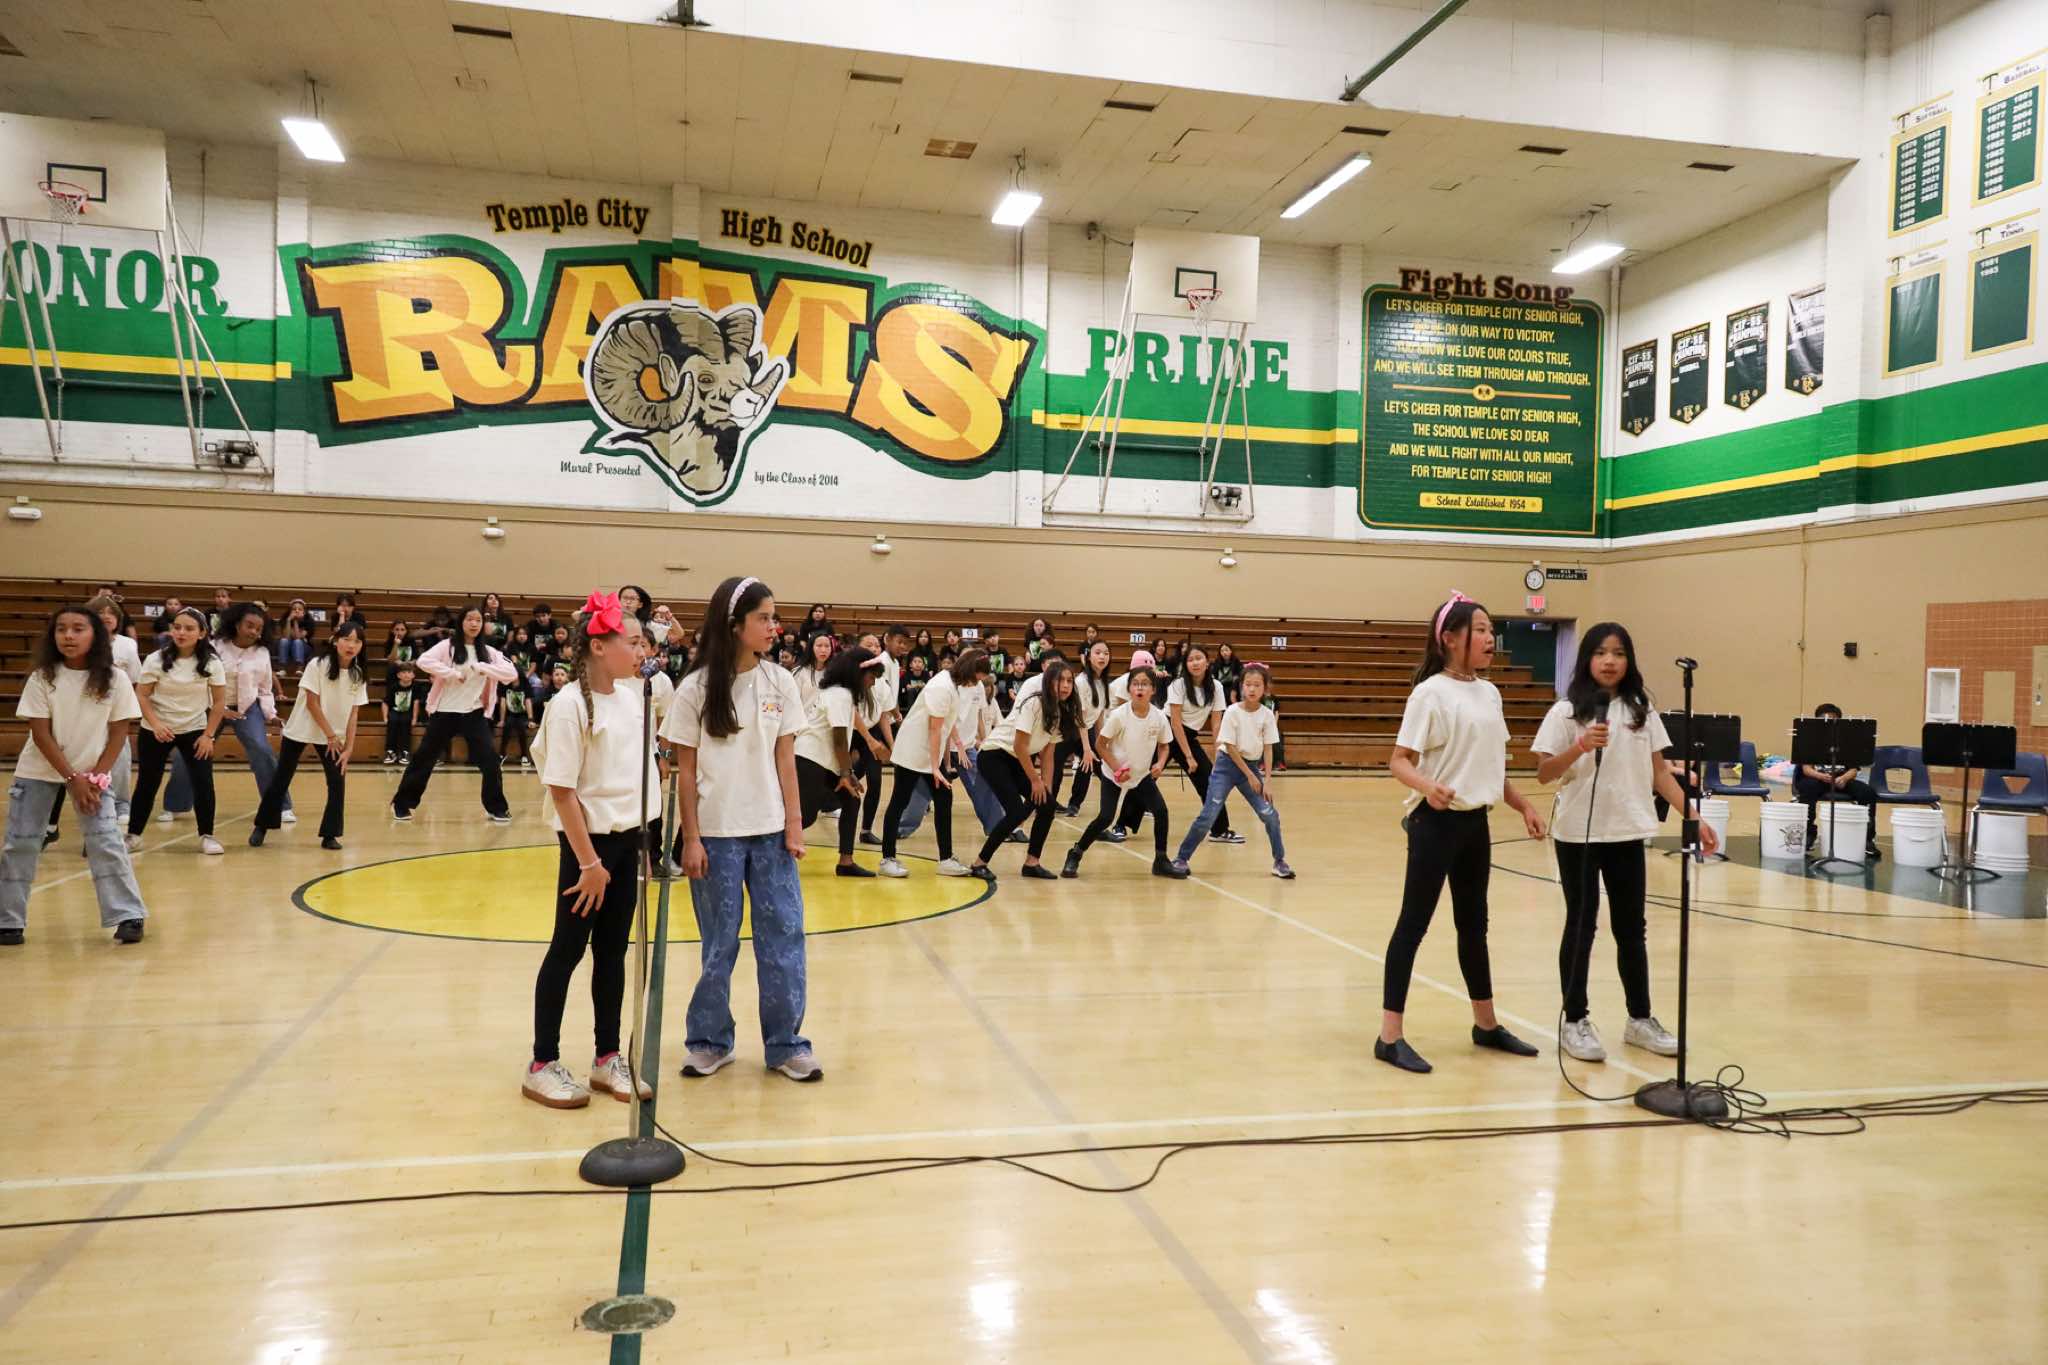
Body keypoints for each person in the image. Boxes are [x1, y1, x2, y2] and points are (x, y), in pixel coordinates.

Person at [1377, 593, 1548, 1075]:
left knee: (1474, 927)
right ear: (1450, 638)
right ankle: (1389, 1037)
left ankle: (1486, 1025)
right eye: (1481, 629)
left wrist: (1523, 805)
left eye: (1492, 630)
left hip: (1476, 824)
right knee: (1412, 926)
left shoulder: (1490, 693)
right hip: (1434, 824)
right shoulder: (1429, 693)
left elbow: (1491, 767)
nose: (1491, 638)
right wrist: (1427, 787)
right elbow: (1398, 761)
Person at [662, 576, 821, 1083]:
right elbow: (685, 771)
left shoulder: (781, 681)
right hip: (715, 836)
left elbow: (786, 760)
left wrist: (794, 825)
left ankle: (786, 1043)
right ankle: (710, 1041)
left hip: (771, 833)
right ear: (735, 625)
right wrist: (690, 838)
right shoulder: (695, 688)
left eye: (775, 617)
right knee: (719, 943)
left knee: (784, 938)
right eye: (763, 618)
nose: (774, 627)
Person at [1532, 623, 1714, 1064]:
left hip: (1628, 832)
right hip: (1579, 834)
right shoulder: (1565, 712)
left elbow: (1660, 774)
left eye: (1617, 653)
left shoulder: (1641, 711)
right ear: (1586, 660)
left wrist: (1694, 817)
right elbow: (1544, 773)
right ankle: (1574, 1020)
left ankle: (1640, 1019)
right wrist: (1579, 747)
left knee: (1632, 929)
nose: (1609, 661)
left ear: (1629, 660)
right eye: (1600, 653)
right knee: (1581, 925)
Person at [522, 592, 661, 1109]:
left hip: (626, 843)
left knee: (612, 951)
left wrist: (642, 846)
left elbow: (639, 778)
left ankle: (607, 1057)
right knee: (567, 949)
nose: (642, 651)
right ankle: (542, 1063)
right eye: (633, 642)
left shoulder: (632, 698)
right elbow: (562, 791)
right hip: (588, 848)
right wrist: (589, 864)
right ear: (600, 647)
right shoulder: (568, 707)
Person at [2, 607, 149, 945]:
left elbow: (119, 733)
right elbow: (40, 734)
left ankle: (127, 914)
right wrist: (72, 779)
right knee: (21, 843)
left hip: (92, 775)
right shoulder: (42, 677)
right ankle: (7, 919)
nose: (68, 635)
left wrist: (96, 777)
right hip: (39, 771)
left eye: (78, 628)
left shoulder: (115, 679)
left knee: (106, 840)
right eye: (61, 629)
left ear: (95, 635)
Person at [390, 604, 517, 824]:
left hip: (474, 713)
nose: (474, 624)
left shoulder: (489, 652)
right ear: (461, 622)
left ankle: (496, 807)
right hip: (444, 712)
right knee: (424, 759)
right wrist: (451, 673)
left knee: (490, 761)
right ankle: (402, 803)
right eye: (469, 619)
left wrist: (484, 668)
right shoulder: (447, 646)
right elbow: (423, 661)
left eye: (478, 620)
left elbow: (511, 673)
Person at [250, 620, 367, 851]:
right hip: (302, 729)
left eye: (356, 641)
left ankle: (330, 834)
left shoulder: (358, 674)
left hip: (333, 737)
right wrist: (331, 735)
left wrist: (349, 747)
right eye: (346, 639)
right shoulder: (318, 665)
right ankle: (262, 826)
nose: (351, 645)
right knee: (281, 779)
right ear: (336, 641)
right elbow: (312, 703)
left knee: (337, 783)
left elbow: (354, 713)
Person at [1170, 664, 1292, 879]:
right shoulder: (1233, 712)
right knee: (1208, 816)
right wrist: (1251, 776)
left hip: (1251, 767)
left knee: (1270, 815)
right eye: (1248, 684)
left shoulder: (1266, 715)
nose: (1252, 689)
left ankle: (1279, 861)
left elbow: (1268, 748)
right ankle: (1181, 858)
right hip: (1227, 767)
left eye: (1257, 685)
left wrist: (1268, 780)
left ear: (1265, 688)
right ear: (1241, 686)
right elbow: (1230, 747)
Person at [1062, 665, 1182, 879]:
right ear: (1129, 689)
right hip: (1113, 775)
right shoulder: (1119, 716)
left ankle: (1161, 860)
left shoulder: (1158, 717)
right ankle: (1075, 853)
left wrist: (1160, 763)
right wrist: (1117, 769)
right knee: (1105, 818)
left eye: (1145, 684)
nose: (1140, 688)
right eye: (1135, 684)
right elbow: (1100, 745)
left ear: (1153, 689)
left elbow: (1165, 746)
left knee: (1161, 811)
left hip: (1141, 775)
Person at [878, 651, 988, 880]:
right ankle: (887, 859)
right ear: (969, 671)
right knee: (900, 800)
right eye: (976, 678)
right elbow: (935, 728)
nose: (976, 683)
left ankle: (946, 859)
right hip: (913, 750)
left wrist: (958, 743)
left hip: (929, 752)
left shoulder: (955, 684)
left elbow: (948, 719)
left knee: (944, 798)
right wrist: (937, 767)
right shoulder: (942, 686)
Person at [128, 607, 228, 856]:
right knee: (147, 783)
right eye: (177, 627)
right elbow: (141, 695)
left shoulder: (212, 663)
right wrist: (156, 724)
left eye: (189, 628)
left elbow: (218, 703)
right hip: (156, 729)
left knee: (203, 783)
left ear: (202, 633)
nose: (181, 632)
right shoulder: (156, 659)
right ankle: (133, 835)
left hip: (194, 729)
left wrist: (208, 735)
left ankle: (207, 835)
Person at [971, 658, 1082, 881]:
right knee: (1016, 812)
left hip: (1014, 759)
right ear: (1048, 682)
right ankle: (979, 864)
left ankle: (1032, 863)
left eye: (1069, 681)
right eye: (1060, 680)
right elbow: (1020, 746)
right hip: (994, 755)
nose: (1065, 685)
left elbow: (1048, 753)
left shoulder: (1060, 711)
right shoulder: (1034, 704)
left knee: (1047, 806)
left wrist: (1046, 786)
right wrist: (1035, 780)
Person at [795, 645, 885, 877]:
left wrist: (848, 774)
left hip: (824, 762)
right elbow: (838, 739)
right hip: (809, 759)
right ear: (857, 673)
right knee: (804, 816)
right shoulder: (839, 695)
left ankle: (846, 862)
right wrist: (845, 773)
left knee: (851, 799)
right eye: (871, 677)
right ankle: (766, 854)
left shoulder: (843, 695)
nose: (872, 683)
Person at [214, 602, 294, 823]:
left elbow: (265, 689)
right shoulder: (215, 647)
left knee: (261, 749)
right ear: (236, 624)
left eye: (258, 629)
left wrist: (270, 714)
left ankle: (279, 805)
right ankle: (175, 804)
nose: (253, 632)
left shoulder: (262, 653)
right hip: (214, 707)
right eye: (249, 625)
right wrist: (219, 709)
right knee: (192, 751)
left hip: (247, 708)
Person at [1167, 645, 1237, 844]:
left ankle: (1219, 830)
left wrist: (1219, 753)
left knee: (1208, 781)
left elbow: (1216, 723)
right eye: (1190, 660)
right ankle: (1121, 826)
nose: (1195, 663)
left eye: (1199, 658)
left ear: (1207, 662)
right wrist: (1188, 756)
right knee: (1146, 777)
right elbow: (1175, 723)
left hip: (1189, 735)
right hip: (1166, 733)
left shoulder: (1216, 687)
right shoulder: (1178, 685)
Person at [1794, 702, 1881, 860]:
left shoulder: (1847, 741)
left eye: (1832, 720)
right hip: (1816, 779)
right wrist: (1821, 776)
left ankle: (1867, 838)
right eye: (1823, 719)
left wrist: (1844, 778)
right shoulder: (1809, 739)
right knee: (1808, 789)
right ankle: (1809, 834)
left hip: (1841, 780)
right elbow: (1806, 769)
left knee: (1868, 793)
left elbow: (1853, 769)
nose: (1828, 723)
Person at [1060, 640, 1114, 817]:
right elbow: (1079, 718)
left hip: (1086, 730)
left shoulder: (1104, 684)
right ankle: (1041, 804)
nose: (1102, 656)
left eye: (1106, 653)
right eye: (1098, 652)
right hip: (1068, 731)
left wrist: (1101, 744)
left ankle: (1074, 805)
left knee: (1093, 764)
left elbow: (1098, 717)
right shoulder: (1081, 682)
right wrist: (1086, 748)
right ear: (1088, 657)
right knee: (1056, 770)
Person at [384, 662, 421, 764]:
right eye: (403, 672)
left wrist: (414, 718)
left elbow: (416, 703)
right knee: (392, 721)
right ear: (398, 675)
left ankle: (405, 752)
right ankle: (390, 751)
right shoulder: (393, 687)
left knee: (405, 722)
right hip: (395, 711)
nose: (406, 675)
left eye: (409, 672)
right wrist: (385, 717)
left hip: (408, 712)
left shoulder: (416, 686)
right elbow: (385, 703)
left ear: (413, 675)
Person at [276, 598, 313, 668]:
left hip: (304, 647)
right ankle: (282, 668)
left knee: (297, 642)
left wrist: (295, 621)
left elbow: (298, 637)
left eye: (300, 609)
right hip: (288, 646)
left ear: (304, 612)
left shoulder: (309, 621)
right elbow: (286, 637)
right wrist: (288, 620)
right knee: (283, 641)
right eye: (294, 609)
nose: (297, 611)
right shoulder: (285, 620)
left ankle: (299, 667)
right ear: (290, 611)